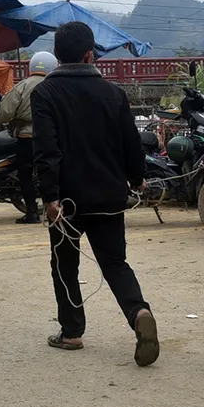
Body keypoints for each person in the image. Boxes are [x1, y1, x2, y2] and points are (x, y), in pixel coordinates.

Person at [31, 22, 159, 367]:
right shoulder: (113, 94)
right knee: (115, 264)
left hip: (67, 201)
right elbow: (131, 143)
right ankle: (139, 312)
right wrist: (136, 179)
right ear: (91, 54)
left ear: (57, 56)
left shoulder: (44, 94)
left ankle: (72, 332)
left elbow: (46, 151)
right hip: (108, 195)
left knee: (65, 266)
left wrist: (50, 197)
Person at [0, 51, 56, 224]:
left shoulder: (22, 86)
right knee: (51, 172)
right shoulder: (56, 87)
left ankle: (32, 213)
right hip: (52, 138)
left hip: (27, 138)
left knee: (26, 175)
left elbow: (6, 111)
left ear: (32, 66)